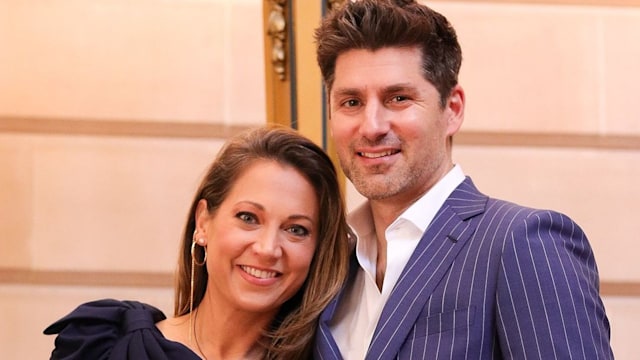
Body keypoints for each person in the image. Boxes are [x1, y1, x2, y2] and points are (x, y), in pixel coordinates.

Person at [313, 0, 614, 359]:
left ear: (452, 109)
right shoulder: (330, 263)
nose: (372, 126)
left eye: (398, 98)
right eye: (351, 102)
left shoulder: (523, 243)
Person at [44, 126, 351, 359]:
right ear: (203, 222)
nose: (267, 248)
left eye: (296, 229)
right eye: (248, 217)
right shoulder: (107, 346)